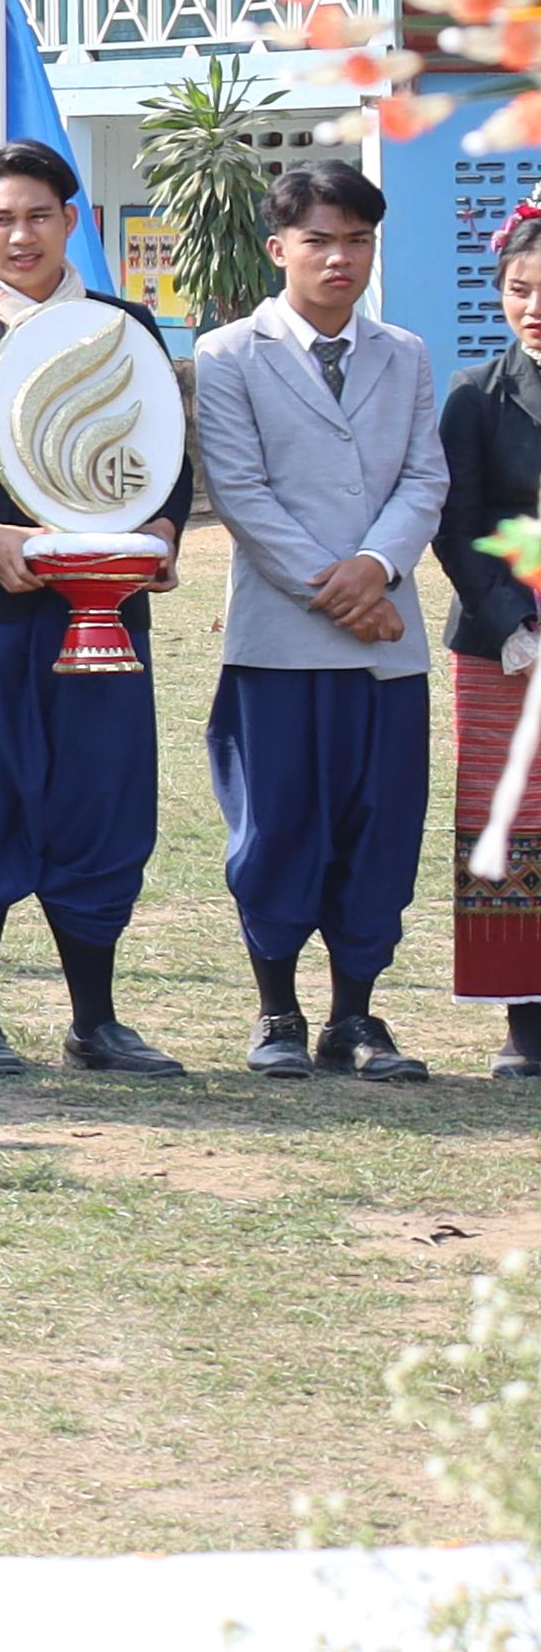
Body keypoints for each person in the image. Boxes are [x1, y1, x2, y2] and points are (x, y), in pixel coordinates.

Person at [0, 138, 196, 1075]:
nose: (21, 234)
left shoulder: (124, 324)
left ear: (73, 223)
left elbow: (167, 463)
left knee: (99, 799)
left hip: (103, 612)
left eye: (39, 215)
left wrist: (163, 541)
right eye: (1, 217)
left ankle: (95, 1020)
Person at [190, 156, 444, 1081]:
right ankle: (277, 1012)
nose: (341, 259)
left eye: (358, 241)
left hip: (388, 641)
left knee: (380, 824)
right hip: (282, 639)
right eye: (320, 241)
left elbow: (426, 478)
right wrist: (336, 589)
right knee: (276, 823)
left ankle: (357, 1017)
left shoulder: (406, 353)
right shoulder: (226, 355)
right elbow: (242, 493)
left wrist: (376, 569)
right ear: (278, 249)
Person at [433, 197, 541, 1075]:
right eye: (519, 288)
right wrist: (514, 621)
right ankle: (524, 1028)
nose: (532, 306)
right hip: (508, 647)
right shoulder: (474, 395)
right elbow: (456, 523)